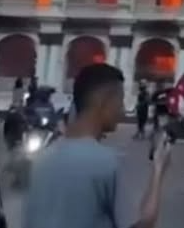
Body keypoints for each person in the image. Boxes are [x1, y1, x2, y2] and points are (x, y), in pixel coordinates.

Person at [24, 63, 171, 228]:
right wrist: (158, 169)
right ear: (105, 102)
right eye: (120, 101)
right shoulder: (107, 163)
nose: (122, 110)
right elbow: (143, 224)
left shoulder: (42, 159)